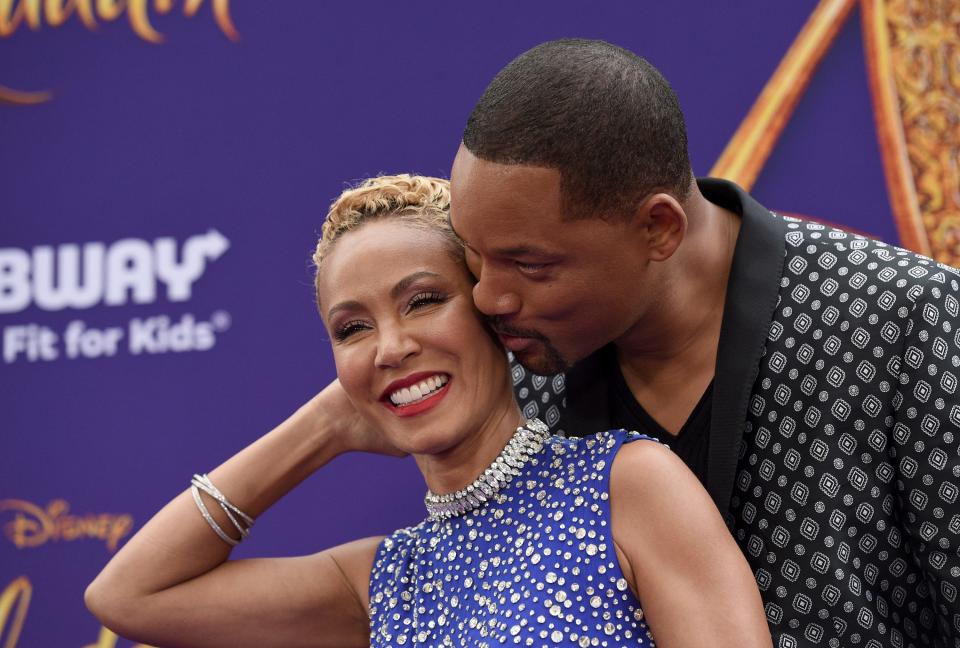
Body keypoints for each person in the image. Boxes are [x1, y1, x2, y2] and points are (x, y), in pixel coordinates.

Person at [84, 174, 771, 647]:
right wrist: (324, 427)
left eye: (422, 301)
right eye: (352, 329)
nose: (391, 346)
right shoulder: (383, 581)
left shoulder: (627, 483)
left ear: (490, 312)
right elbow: (129, 598)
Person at [445, 39, 960, 648]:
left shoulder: (908, 322)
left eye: (529, 265)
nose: (487, 299)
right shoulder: (516, 376)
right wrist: (331, 425)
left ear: (659, 228)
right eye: (474, 255)